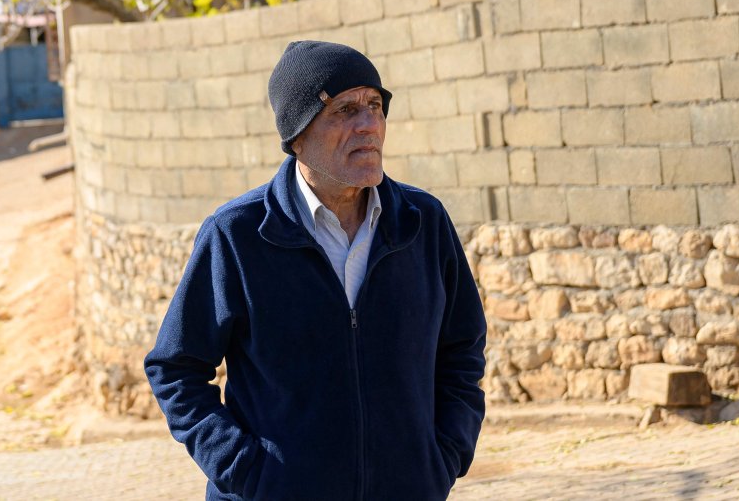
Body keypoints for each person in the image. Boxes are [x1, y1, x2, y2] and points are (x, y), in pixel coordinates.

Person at [144, 40, 486, 500]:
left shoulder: (422, 224)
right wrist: (248, 473)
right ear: (297, 136)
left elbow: (462, 349)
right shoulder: (238, 236)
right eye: (344, 110)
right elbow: (175, 368)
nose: (369, 126)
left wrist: (444, 455)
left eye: (375, 105)